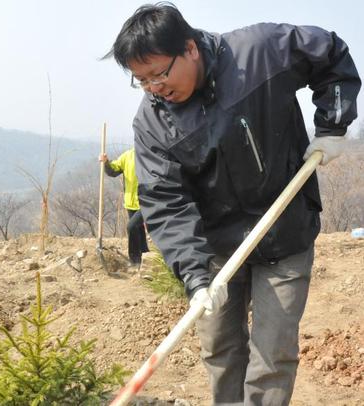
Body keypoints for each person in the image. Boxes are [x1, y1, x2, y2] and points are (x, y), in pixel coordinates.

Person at [105, 3, 359, 405]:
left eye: (160, 73)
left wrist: (333, 124)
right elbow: (166, 203)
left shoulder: (259, 53)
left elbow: (329, 53)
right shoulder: (152, 123)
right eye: (143, 81)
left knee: (273, 354)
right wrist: (194, 276)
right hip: (215, 249)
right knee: (221, 351)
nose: (156, 88)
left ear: (189, 48)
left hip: (285, 228)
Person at [98, 148, 150, 268]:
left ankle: (134, 260)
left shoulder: (151, 155)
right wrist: (106, 162)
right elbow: (113, 171)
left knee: (131, 226)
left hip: (147, 201)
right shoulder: (128, 155)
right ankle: (145, 257)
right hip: (130, 202)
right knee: (138, 230)